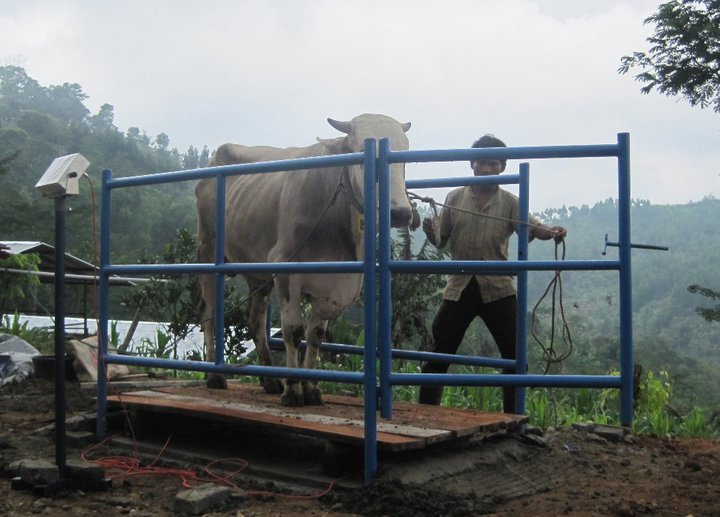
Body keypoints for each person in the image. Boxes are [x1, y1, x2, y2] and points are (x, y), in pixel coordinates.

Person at [419, 134, 567, 413]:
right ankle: (424, 415)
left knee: (514, 355)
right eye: (482, 162)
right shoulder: (454, 196)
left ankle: (513, 420)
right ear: (472, 164)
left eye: (494, 163)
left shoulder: (511, 202)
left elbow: (533, 227)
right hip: (460, 284)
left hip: (497, 286)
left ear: (502, 167)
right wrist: (431, 231)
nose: (487, 169)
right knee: (439, 352)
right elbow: (442, 239)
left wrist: (553, 232)